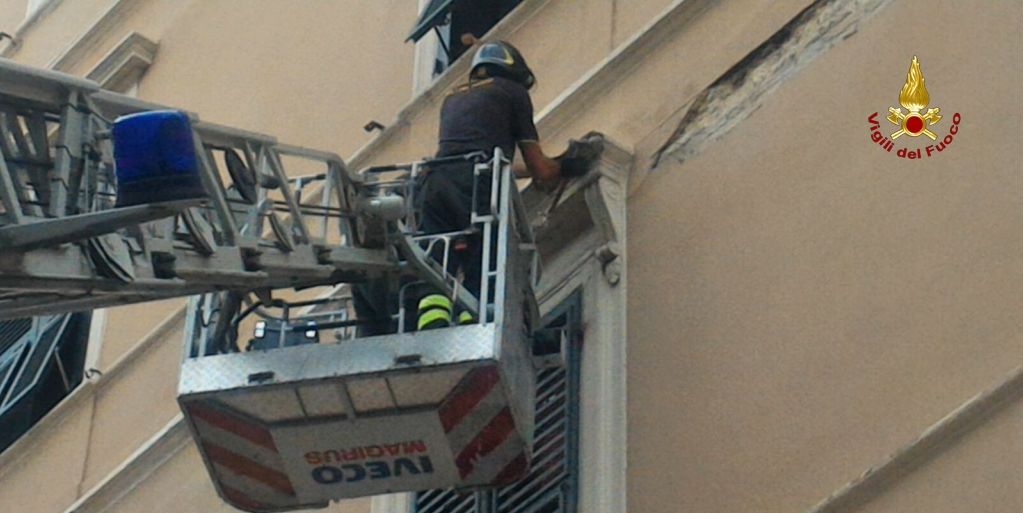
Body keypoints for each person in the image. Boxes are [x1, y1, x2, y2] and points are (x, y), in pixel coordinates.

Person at [414, 40, 562, 330]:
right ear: (514, 71)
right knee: (482, 255)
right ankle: (474, 320)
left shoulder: (453, 98)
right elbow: (540, 168)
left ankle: (432, 322)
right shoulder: (513, 93)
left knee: (438, 256)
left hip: (435, 182)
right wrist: (567, 164)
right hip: (477, 181)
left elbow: (488, 158)